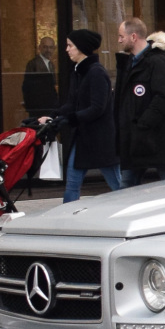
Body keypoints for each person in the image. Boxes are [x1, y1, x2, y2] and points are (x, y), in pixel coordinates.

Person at [114, 18, 165, 188]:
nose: (118, 40)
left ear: (133, 37)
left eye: (121, 36)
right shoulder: (128, 63)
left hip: (159, 140)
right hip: (136, 141)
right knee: (127, 189)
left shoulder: (157, 60)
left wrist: (142, 123)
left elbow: (164, 97)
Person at [53, 30, 120, 202]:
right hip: (83, 137)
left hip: (101, 140)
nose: (67, 49)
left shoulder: (96, 72)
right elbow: (71, 104)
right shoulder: (78, 72)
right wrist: (54, 116)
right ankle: (67, 220)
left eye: (70, 46)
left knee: (118, 185)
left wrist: (70, 119)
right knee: (72, 183)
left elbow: (97, 108)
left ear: (81, 48)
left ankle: (132, 212)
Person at [21, 37, 59, 120]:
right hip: (38, 106)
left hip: (49, 105)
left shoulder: (51, 64)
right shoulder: (33, 63)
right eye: (45, 47)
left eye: (51, 47)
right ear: (40, 48)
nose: (48, 50)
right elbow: (27, 86)